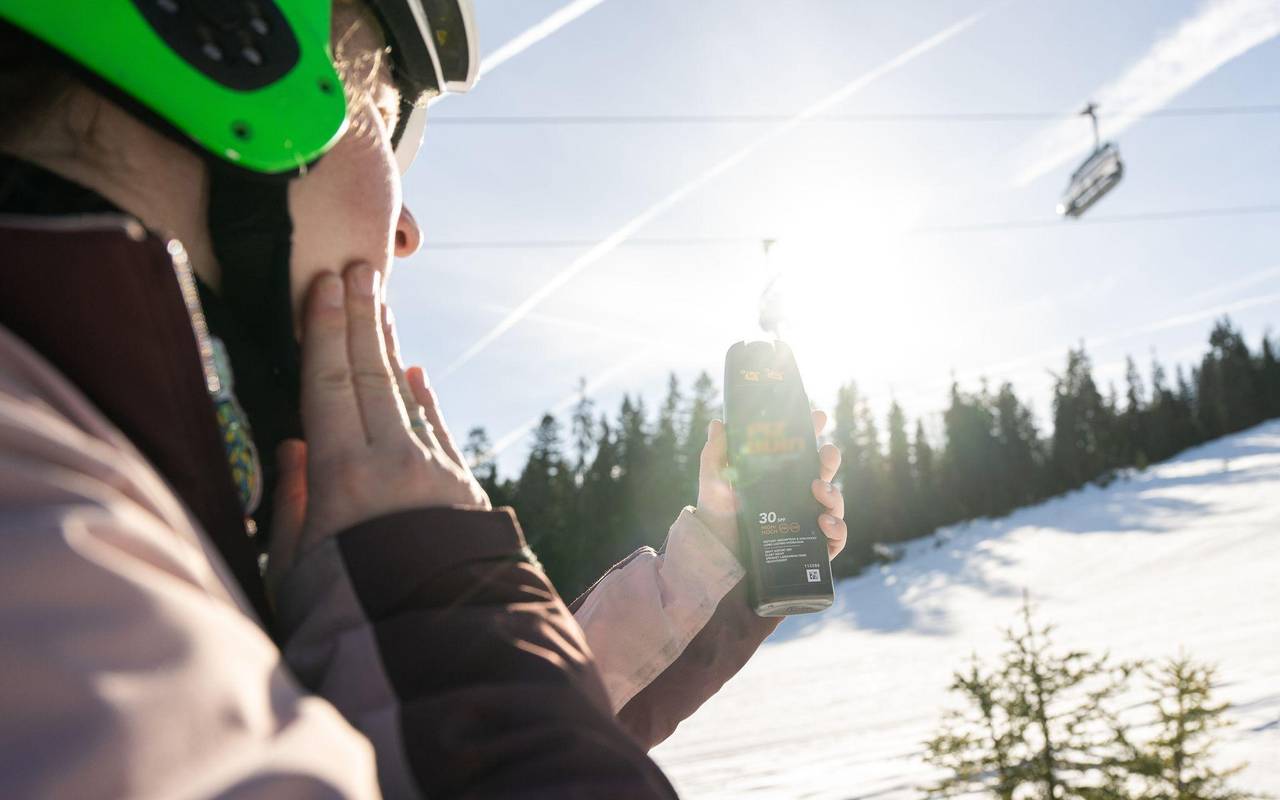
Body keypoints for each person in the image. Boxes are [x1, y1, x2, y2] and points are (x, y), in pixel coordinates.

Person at [0, 1, 848, 797]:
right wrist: (429, 600)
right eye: (380, 114)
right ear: (221, 47)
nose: (407, 231)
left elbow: (442, 731)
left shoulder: (102, 506)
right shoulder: (43, 526)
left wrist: (714, 569)